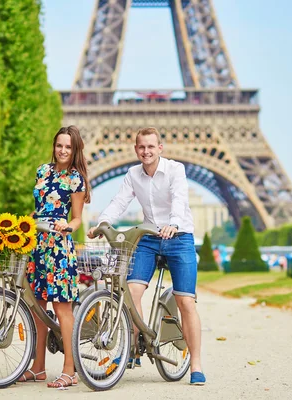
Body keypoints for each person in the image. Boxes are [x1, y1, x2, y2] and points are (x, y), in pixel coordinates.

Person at [88, 126, 206, 386]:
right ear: (136, 149)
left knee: (186, 302)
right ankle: (134, 346)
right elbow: (120, 201)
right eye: (142, 147)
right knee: (131, 292)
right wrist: (103, 223)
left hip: (179, 237)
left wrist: (174, 223)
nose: (146, 151)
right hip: (150, 238)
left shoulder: (176, 170)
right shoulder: (133, 174)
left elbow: (179, 199)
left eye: (151, 146)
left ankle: (195, 364)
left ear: (160, 148)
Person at [19, 125, 90, 388]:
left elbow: (78, 217)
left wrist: (68, 226)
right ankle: (38, 368)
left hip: (58, 247)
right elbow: (38, 206)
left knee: (63, 310)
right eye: (59, 145)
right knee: (38, 309)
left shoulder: (76, 179)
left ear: (75, 150)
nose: (63, 150)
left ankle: (69, 370)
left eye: (68, 147)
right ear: (54, 146)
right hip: (37, 244)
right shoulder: (42, 170)